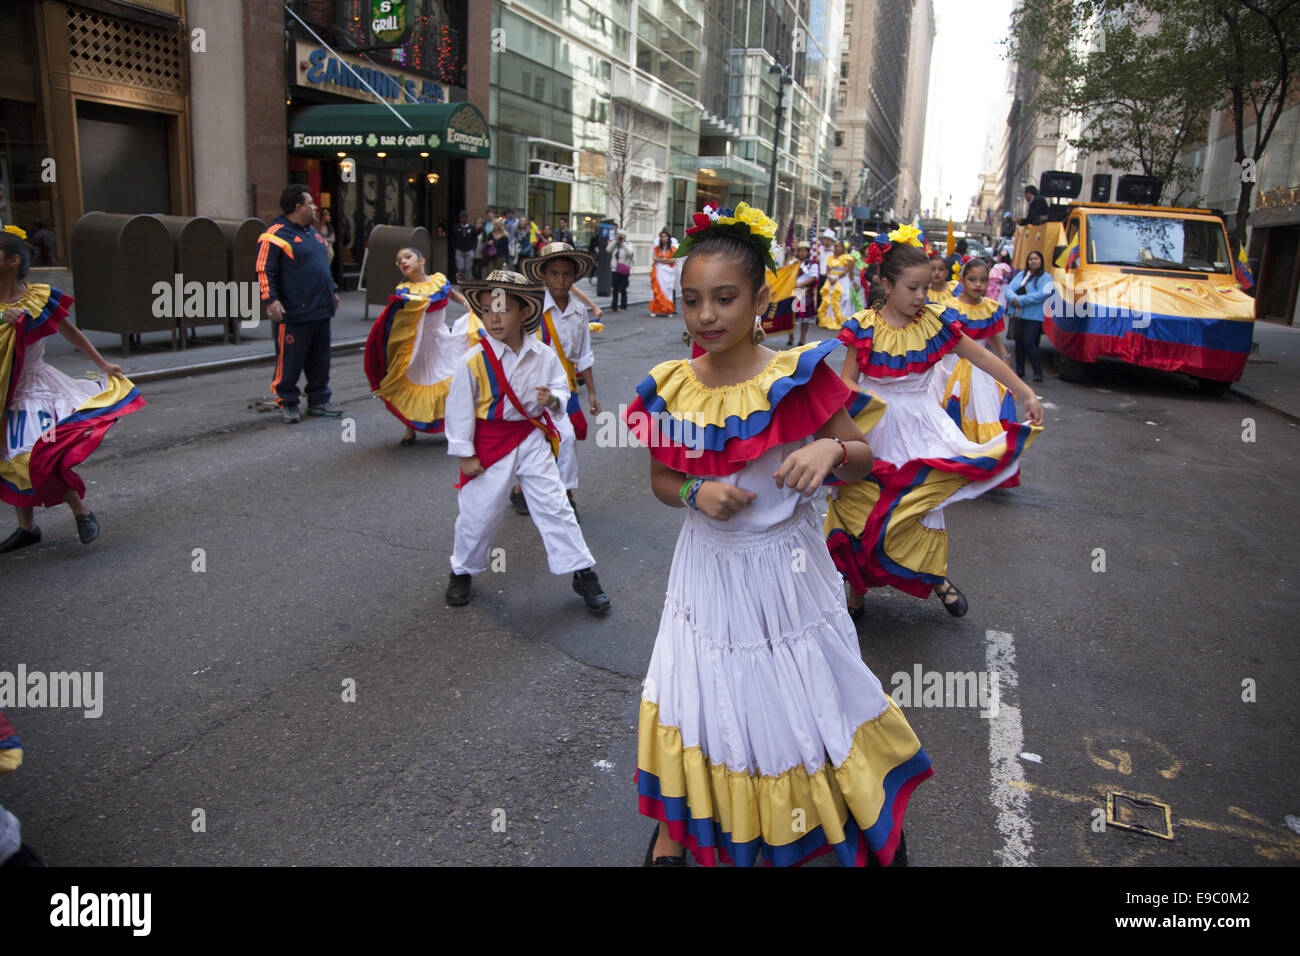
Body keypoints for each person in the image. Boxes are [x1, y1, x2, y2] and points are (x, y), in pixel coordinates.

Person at [623, 202, 931, 867]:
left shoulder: (800, 375)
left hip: (789, 573)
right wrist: (693, 491)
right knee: (703, 693)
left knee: (802, 699)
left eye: (725, 298)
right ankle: (688, 820)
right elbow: (659, 479)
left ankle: (823, 815)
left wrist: (828, 454)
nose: (707, 315)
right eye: (693, 300)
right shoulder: (669, 388)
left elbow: (863, 457)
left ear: (763, 297)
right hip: (707, 570)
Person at [826, 228, 1043, 620]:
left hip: (921, 425)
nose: (922, 296)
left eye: (926, 287)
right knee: (859, 503)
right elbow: (847, 383)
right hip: (872, 426)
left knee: (923, 503)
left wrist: (1025, 392)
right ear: (886, 284)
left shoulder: (935, 322)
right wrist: (835, 429)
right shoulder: (864, 326)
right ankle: (857, 589)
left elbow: (982, 357)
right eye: (913, 288)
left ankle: (935, 577)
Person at [444, 270, 610, 615]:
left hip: (531, 438)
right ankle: (462, 570)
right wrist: (464, 454)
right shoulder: (472, 360)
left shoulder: (544, 355)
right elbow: (458, 410)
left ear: (524, 312)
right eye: (487, 309)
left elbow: (563, 390)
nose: (494, 317)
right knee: (478, 514)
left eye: (503, 309)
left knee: (555, 506)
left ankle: (583, 573)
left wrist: (553, 400)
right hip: (489, 445)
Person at [0, 227, 144, 552]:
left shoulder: (38, 297)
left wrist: (103, 364)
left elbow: (72, 333)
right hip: (2, 393)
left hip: (34, 390)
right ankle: (27, 528)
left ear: (12, 261)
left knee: (37, 455)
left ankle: (81, 510)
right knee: (8, 458)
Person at [518, 241, 600, 520]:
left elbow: (583, 355)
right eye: (555, 274)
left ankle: (564, 493)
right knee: (531, 437)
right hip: (531, 386)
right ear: (543, 274)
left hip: (563, 388)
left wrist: (591, 393)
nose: (561, 280)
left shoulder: (579, 312)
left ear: (574, 277)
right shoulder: (531, 310)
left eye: (567, 275)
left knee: (566, 437)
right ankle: (521, 487)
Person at [364, 247, 472, 446]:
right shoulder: (404, 290)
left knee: (449, 379)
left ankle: (452, 427)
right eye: (399, 261)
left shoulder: (438, 280)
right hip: (416, 343)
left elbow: (453, 295)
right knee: (412, 380)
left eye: (407, 257)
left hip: (439, 340)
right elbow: (396, 317)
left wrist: (471, 308)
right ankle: (409, 429)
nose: (403, 262)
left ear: (421, 260)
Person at [258, 186, 342, 424]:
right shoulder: (273, 235)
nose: (315, 207)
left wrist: (332, 290)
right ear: (298, 207)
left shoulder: (312, 234)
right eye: (310, 203)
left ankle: (318, 400)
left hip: (320, 309)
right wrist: (271, 300)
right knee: (290, 361)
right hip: (294, 311)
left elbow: (321, 268)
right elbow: (265, 271)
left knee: (320, 359)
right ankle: (288, 402)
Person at [938, 259, 1020, 480]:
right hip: (950, 366)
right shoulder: (950, 307)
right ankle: (951, 460)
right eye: (972, 279)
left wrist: (1003, 356)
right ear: (962, 280)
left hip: (981, 369)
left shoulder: (990, 308)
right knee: (949, 411)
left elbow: (992, 335)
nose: (978, 284)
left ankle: (981, 464)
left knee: (983, 411)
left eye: (983, 280)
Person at [1004, 250, 1054, 383]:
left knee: (1029, 342)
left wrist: (1020, 300)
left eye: (1036, 259)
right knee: (1018, 342)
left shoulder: (1046, 277)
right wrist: (1013, 298)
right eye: (1031, 259)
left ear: (1041, 261)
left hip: (1034, 316)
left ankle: (1038, 372)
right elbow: (1009, 289)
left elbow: (1043, 294)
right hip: (1018, 314)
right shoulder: (1021, 274)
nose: (1033, 261)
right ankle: (1019, 371)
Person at [817, 240, 853, 330]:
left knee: (842, 298)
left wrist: (836, 278)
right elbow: (827, 269)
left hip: (841, 280)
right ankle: (829, 319)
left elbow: (846, 270)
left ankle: (840, 320)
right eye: (837, 246)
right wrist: (829, 277)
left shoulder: (846, 257)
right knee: (829, 299)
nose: (838, 248)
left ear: (843, 248)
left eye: (840, 246)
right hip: (831, 280)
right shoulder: (830, 257)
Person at [789, 240, 818, 347]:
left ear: (808, 252)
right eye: (800, 251)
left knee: (804, 317)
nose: (802, 253)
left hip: (804, 292)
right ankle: (790, 336)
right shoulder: (793, 263)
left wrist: (801, 284)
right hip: (793, 292)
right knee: (792, 315)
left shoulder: (812, 264)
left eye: (804, 251)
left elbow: (813, 277)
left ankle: (802, 337)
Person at [649, 229, 678, 316]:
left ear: (668, 238)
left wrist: (662, 260)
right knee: (657, 289)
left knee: (668, 290)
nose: (663, 238)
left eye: (665, 236)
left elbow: (674, 260)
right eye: (662, 237)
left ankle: (668, 309)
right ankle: (655, 309)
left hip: (669, 272)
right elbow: (654, 258)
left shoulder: (672, 248)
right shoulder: (657, 248)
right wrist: (664, 260)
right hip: (659, 271)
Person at [608, 230, 633, 312]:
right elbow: (608, 250)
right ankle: (614, 306)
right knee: (614, 288)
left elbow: (630, 253)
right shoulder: (615, 244)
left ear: (625, 237)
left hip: (623, 269)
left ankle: (623, 306)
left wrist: (623, 244)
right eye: (618, 235)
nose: (620, 237)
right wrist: (615, 241)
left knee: (622, 288)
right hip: (615, 268)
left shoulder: (628, 244)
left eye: (621, 236)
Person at [453, 211, 477, 280]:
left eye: (464, 218)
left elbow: (475, 239)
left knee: (468, 268)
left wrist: (473, 248)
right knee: (460, 267)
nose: (463, 219)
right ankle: (460, 281)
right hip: (459, 250)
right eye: (461, 218)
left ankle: (467, 283)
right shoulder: (456, 228)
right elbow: (453, 239)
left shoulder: (472, 228)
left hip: (469, 250)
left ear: (467, 218)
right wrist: (455, 248)